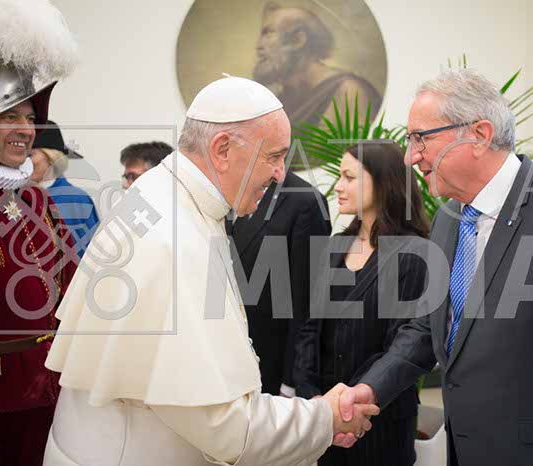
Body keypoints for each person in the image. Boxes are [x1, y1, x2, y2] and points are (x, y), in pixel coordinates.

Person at [43, 76, 379, 466]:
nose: (280, 174)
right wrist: (324, 417)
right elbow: (227, 429)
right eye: (274, 156)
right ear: (222, 149)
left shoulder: (159, 195)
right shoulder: (174, 238)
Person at [338, 69, 533, 466]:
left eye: (420, 138)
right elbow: (427, 329)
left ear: (478, 135)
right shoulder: (448, 219)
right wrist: (370, 389)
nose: (411, 157)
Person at [0, 1, 78, 464]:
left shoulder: (35, 198)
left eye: (30, 119)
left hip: (47, 394)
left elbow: (76, 285)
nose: (26, 130)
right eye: (9, 116)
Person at [293, 142, 430, 466]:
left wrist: (351, 405)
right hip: (326, 420)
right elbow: (309, 329)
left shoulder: (413, 253)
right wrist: (313, 396)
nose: (338, 186)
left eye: (349, 177)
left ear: (383, 183)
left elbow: (402, 346)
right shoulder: (336, 246)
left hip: (380, 422)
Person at [225, 170, 332, 397]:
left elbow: (307, 300)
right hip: (229, 361)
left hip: (273, 371)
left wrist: (291, 382)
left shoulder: (305, 201)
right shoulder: (228, 189)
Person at [253, 2, 382, 129]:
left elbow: (366, 142)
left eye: (268, 33)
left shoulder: (348, 91)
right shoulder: (282, 100)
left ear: (298, 40)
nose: (258, 46)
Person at [30, 120, 100, 259]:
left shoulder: (75, 199)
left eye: (30, 154)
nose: (23, 161)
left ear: (51, 157)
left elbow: (92, 255)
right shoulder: (16, 196)